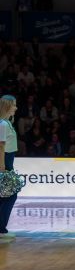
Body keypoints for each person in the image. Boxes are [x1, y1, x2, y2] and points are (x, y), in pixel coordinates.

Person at [0, 95, 18, 240]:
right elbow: (1, 146)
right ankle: (1, 230)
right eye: (14, 105)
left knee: (6, 196)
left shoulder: (6, 123)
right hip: (5, 161)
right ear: (7, 106)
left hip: (8, 160)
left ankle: (1, 229)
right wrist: (2, 166)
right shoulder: (3, 124)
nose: (16, 108)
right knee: (10, 195)